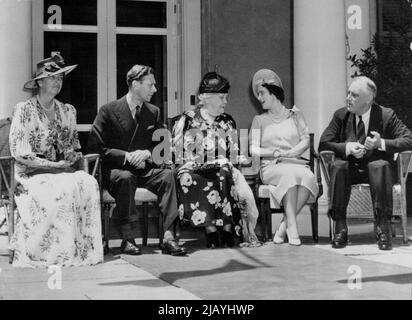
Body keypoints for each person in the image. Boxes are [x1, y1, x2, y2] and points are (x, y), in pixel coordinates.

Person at [8, 52, 103, 267]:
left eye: (60, 78)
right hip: (31, 171)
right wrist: (54, 165)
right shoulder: (24, 110)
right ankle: (49, 253)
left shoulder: (67, 110)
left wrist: (71, 156)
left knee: (87, 182)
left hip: (60, 170)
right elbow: (21, 153)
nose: (57, 82)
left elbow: (73, 146)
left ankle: (81, 250)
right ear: (40, 82)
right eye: (52, 78)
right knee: (59, 189)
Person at [88, 64, 186, 256]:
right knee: (125, 178)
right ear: (135, 84)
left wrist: (148, 154)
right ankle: (128, 239)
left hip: (144, 169)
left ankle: (168, 237)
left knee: (168, 175)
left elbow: (162, 148)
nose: (155, 90)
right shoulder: (108, 110)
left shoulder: (153, 112)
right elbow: (96, 148)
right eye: (150, 85)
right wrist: (126, 157)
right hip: (118, 171)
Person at [319, 76, 412, 250]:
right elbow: (323, 144)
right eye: (348, 93)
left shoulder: (386, 115)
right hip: (350, 171)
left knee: (380, 165)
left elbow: (408, 140)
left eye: (354, 95)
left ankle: (382, 227)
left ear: (368, 100)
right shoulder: (341, 115)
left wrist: (381, 143)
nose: (348, 98)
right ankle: (340, 227)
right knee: (339, 166)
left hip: (376, 174)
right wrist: (347, 147)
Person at [172, 71, 260, 249]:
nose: (225, 102)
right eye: (221, 98)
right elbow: (177, 151)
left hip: (221, 168)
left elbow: (233, 154)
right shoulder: (187, 119)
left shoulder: (227, 121)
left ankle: (227, 229)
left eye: (226, 97)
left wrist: (228, 160)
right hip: (193, 168)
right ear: (205, 97)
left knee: (224, 173)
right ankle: (211, 230)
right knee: (193, 178)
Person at [249, 69, 319, 246]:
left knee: (308, 176)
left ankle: (282, 227)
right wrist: (272, 152)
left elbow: (305, 140)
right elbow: (253, 148)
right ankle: (292, 227)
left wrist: (290, 153)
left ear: (274, 92)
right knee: (290, 176)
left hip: (294, 162)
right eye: (258, 94)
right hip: (271, 167)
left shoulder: (295, 115)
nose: (259, 98)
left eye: (262, 93)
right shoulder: (259, 120)